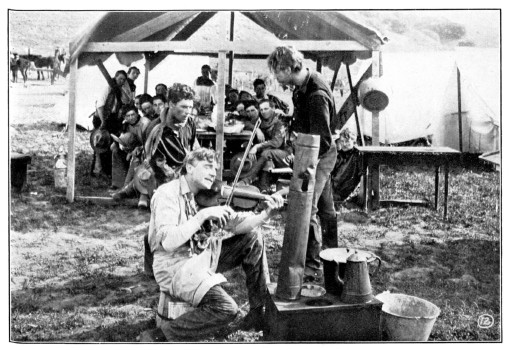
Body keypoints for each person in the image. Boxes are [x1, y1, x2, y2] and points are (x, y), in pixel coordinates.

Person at [141, 147, 284, 341]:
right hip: (174, 265)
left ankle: (258, 311)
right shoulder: (167, 194)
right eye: (207, 167)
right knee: (226, 308)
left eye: (215, 169)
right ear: (189, 167)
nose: (213, 173)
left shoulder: (206, 195)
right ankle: (160, 336)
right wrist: (201, 216)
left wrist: (265, 214)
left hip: (201, 256)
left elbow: (239, 224)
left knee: (252, 237)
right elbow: (168, 242)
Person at [267, 46, 338, 282]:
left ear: (288, 68)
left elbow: (325, 140)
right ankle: (333, 257)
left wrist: (306, 166)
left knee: (307, 209)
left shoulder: (316, 95)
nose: (276, 77)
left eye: (277, 72)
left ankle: (312, 265)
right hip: (309, 151)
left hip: (320, 155)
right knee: (326, 210)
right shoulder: (301, 88)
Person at [239, 99, 293, 193]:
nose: (263, 111)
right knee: (266, 158)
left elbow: (276, 142)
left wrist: (257, 146)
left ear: (273, 108)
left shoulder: (279, 121)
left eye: (266, 109)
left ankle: (248, 179)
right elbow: (246, 122)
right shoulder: (261, 120)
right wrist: (256, 130)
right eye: (261, 109)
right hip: (269, 155)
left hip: (286, 155)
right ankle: (263, 189)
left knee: (266, 153)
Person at [110, 106, 150, 189]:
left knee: (135, 158)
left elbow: (149, 141)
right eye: (128, 116)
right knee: (114, 149)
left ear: (137, 114)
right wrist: (122, 146)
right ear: (124, 117)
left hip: (145, 148)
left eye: (133, 114)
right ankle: (117, 183)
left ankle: (126, 186)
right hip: (131, 147)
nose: (131, 118)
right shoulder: (125, 124)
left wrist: (137, 149)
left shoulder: (144, 123)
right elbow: (122, 138)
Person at [331, 128, 363, 203]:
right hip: (334, 187)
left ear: (354, 141)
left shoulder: (357, 155)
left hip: (345, 191)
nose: (344, 144)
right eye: (342, 141)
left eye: (347, 141)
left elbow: (362, 176)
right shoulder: (339, 154)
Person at [95, 70, 127, 135]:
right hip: (101, 117)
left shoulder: (119, 90)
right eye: (120, 78)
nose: (122, 81)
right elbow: (99, 106)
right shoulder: (107, 87)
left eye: (124, 80)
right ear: (115, 77)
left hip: (111, 118)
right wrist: (103, 121)